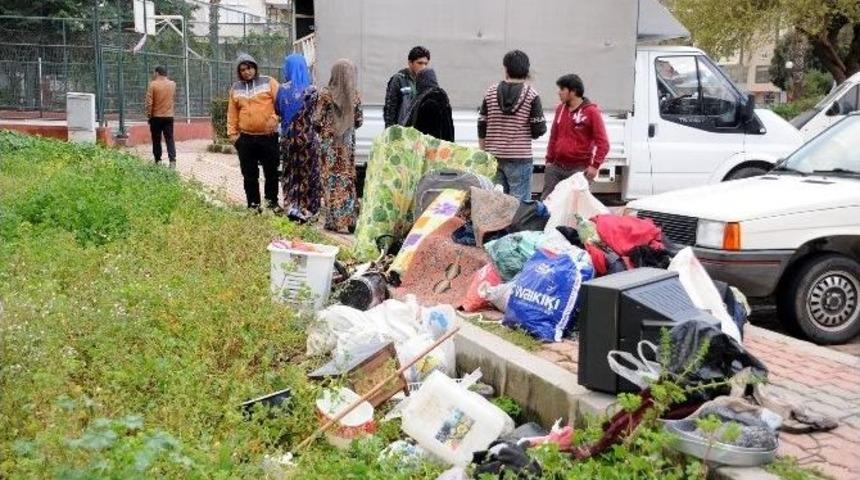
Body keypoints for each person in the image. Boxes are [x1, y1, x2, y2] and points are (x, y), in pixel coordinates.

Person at [477, 50, 546, 202]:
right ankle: (518, 227)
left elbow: (482, 123)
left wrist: (484, 150)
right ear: (526, 70)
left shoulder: (490, 92)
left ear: (506, 69)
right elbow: (538, 129)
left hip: (494, 156)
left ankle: (499, 227)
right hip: (520, 158)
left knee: (497, 202)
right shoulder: (531, 95)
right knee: (518, 205)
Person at [313, 59, 363, 233]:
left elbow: (316, 120)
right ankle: (350, 218)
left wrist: (328, 129)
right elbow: (358, 121)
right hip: (347, 146)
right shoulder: (354, 95)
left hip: (329, 146)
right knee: (347, 180)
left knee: (330, 180)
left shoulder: (325, 94)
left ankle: (333, 220)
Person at [227, 53, 281, 212]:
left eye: (249, 68)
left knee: (271, 173)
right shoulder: (235, 88)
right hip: (246, 139)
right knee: (249, 175)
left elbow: (280, 103)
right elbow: (232, 113)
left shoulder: (269, 82)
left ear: (255, 68)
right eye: (242, 69)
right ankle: (253, 205)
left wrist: (275, 117)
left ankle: (272, 203)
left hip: (268, 138)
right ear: (239, 72)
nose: (246, 72)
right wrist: (232, 135)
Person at [542, 74, 609, 199]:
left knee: (576, 206)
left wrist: (595, 166)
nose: (559, 93)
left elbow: (603, 143)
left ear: (573, 91)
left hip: (579, 169)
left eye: (562, 89)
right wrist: (549, 161)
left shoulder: (591, 112)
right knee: (547, 203)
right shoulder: (560, 109)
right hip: (555, 168)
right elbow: (553, 136)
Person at [276, 53, 320, 222]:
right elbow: (317, 116)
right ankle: (308, 210)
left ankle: (292, 207)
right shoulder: (313, 91)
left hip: (288, 140)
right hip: (307, 140)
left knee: (290, 172)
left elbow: (278, 110)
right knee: (308, 173)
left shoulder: (282, 89)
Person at [383, 46, 430, 128]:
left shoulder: (427, 82)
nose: (423, 67)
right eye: (420, 63)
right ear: (410, 63)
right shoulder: (399, 79)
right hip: (402, 131)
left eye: (425, 64)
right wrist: (391, 133)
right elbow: (389, 110)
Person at [403, 68, 454, 141]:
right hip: (443, 147)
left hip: (429, 148)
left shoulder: (429, 100)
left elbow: (427, 133)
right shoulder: (441, 98)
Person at [145, 66, 177, 168]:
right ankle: (172, 161)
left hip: (156, 116)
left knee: (156, 140)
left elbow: (149, 102)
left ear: (157, 73)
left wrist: (149, 115)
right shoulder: (172, 84)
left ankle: (158, 161)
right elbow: (172, 98)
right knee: (170, 139)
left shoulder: (152, 85)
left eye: (154, 73)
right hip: (169, 116)